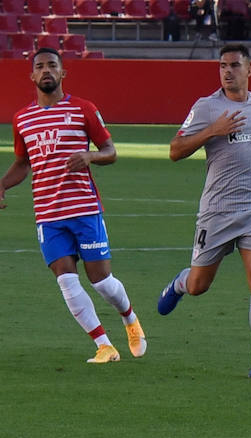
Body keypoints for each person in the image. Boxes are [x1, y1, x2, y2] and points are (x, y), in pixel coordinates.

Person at [1, 47, 146, 365]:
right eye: (39, 66)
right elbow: (23, 164)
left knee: (103, 282)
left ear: (63, 72)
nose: (46, 71)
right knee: (66, 280)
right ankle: (105, 346)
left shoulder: (83, 110)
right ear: (32, 75)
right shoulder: (22, 119)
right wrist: (2, 184)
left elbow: (110, 150)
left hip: (84, 209)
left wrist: (90, 156)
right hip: (48, 215)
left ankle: (129, 317)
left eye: (52, 65)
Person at [155, 44, 251, 380]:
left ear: (249, 70)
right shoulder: (207, 107)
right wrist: (212, 130)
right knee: (201, 284)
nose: (227, 71)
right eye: (222, 66)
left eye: (234, 65)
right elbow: (174, 150)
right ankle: (180, 283)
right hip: (218, 209)